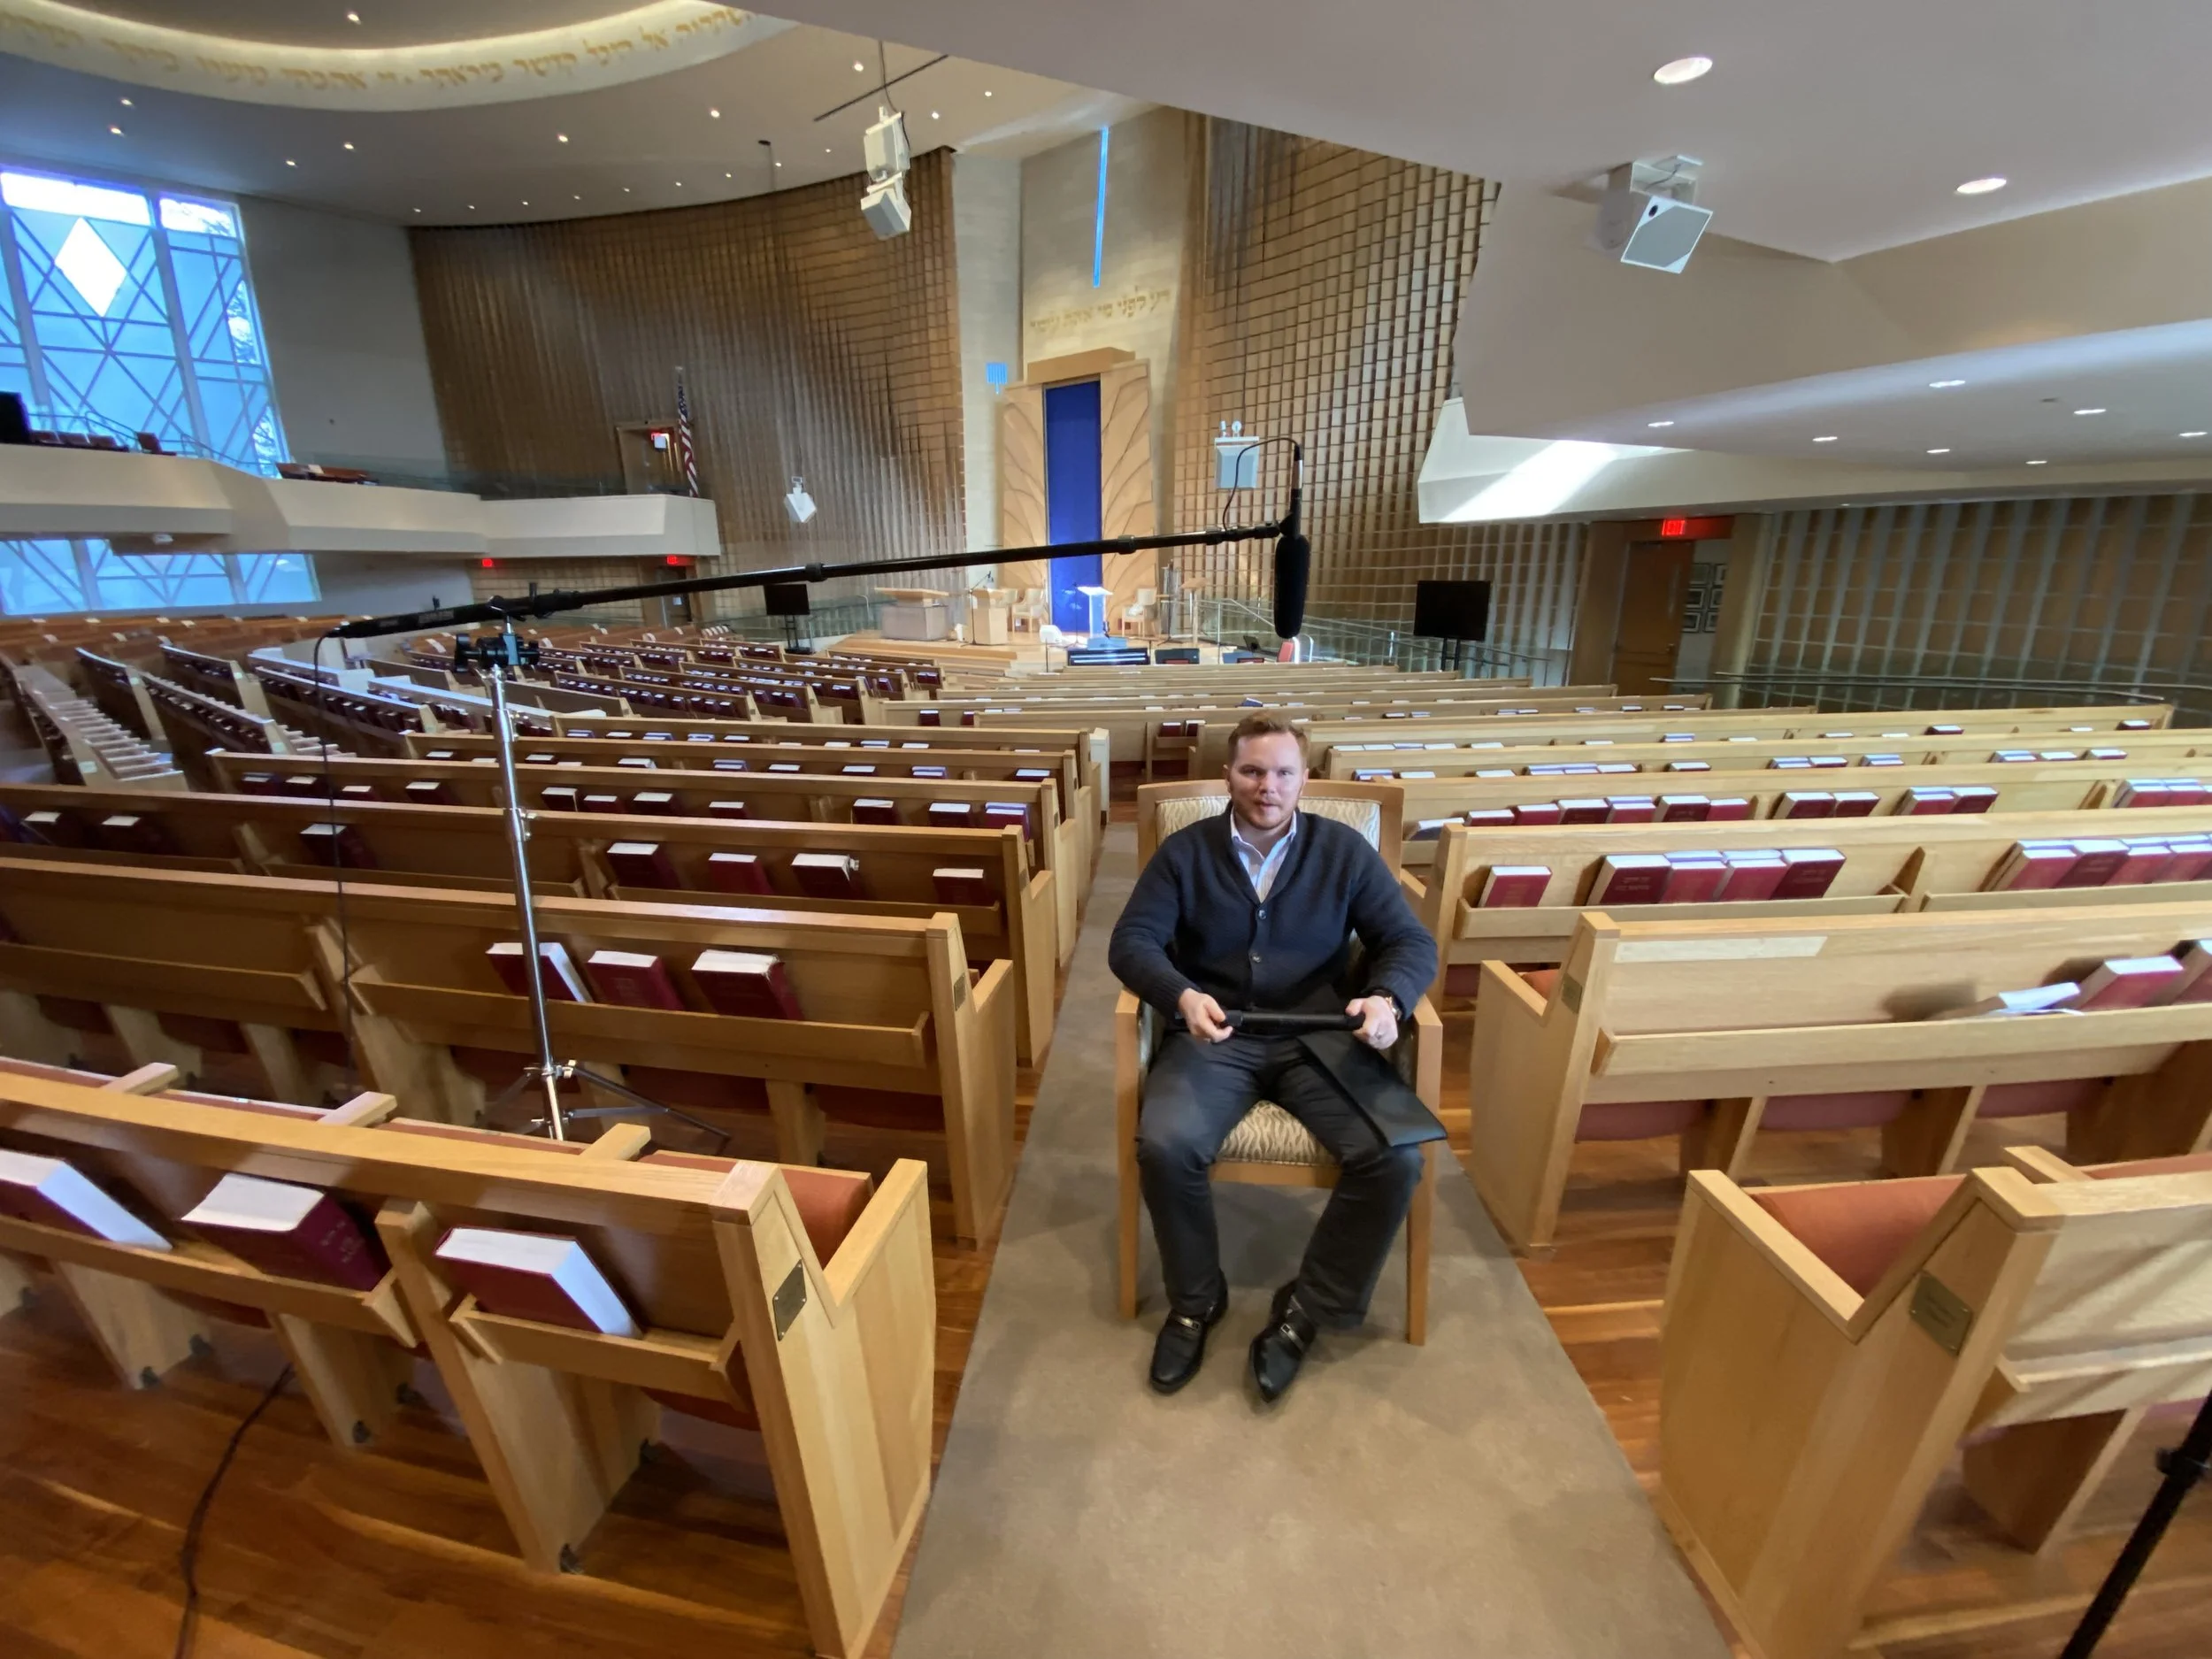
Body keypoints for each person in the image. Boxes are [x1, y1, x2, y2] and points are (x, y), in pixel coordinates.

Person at [1108, 712, 1442, 1404]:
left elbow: (1409, 944)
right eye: (1253, 771)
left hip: (1320, 1036)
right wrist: (1181, 994)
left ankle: (1307, 1308)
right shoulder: (1186, 852)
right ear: (1229, 774)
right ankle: (1197, 1300)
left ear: (1305, 779)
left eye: (1284, 772)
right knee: (1166, 1145)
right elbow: (1132, 942)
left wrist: (1386, 999)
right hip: (1217, 1036)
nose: (1268, 787)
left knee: (1396, 1156)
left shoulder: (1345, 851)